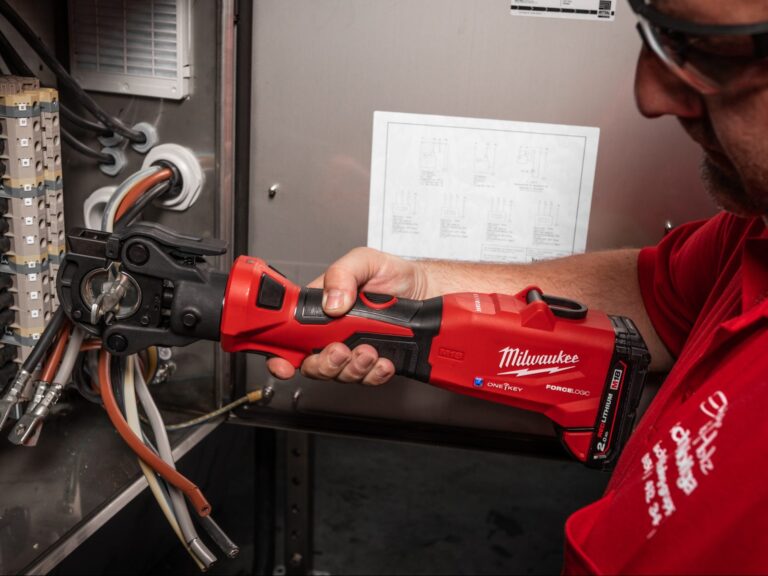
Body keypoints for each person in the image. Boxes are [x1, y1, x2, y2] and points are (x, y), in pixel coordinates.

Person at [268, 0, 768, 573]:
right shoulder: (753, 230)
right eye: (657, 33)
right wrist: (424, 285)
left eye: (710, 48)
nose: (649, 95)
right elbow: (654, 297)